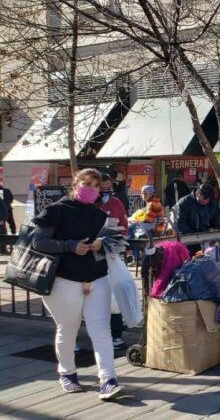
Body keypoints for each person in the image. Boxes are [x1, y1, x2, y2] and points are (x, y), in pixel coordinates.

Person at [31, 168, 123, 400]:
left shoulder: (99, 215)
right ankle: (68, 373)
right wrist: (70, 245)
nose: (92, 189)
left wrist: (101, 244)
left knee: (101, 329)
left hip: (97, 278)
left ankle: (108, 379)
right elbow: (39, 241)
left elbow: (117, 240)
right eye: (87, 183)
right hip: (64, 280)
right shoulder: (56, 210)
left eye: (96, 186)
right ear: (75, 183)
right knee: (68, 328)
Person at [95, 173, 129, 350]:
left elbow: (124, 225)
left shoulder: (116, 203)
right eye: (103, 189)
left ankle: (116, 334)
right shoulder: (87, 204)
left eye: (109, 188)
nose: (106, 192)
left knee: (113, 295)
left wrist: (118, 236)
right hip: (88, 256)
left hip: (110, 254)